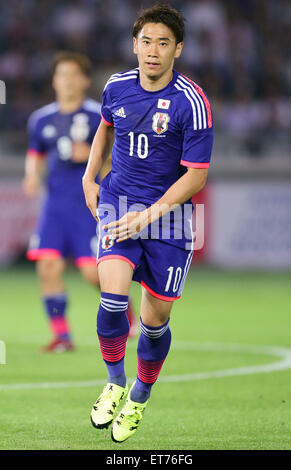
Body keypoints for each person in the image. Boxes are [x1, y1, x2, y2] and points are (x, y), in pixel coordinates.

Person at [83, 4, 213, 442]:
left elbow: (196, 175)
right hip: (119, 206)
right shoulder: (116, 86)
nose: (152, 51)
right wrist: (89, 172)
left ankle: (139, 396)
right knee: (113, 299)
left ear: (178, 49)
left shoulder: (192, 102)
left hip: (170, 220)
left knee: (155, 323)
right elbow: (105, 127)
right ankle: (115, 382)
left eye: (163, 43)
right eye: (145, 41)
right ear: (133, 45)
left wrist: (152, 214)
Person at [23, 52, 137, 353]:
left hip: (89, 205)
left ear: (85, 80)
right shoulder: (41, 119)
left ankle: (127, 312)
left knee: (93, 273)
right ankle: (62, 336)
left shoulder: (98, 115)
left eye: (74, 75)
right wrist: (31, 176)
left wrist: (90, 155)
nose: (68, 81)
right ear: (54, 81)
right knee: (47, 267)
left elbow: (116, 157)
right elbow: (35, 154)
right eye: (62, 75)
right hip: (55, 206)